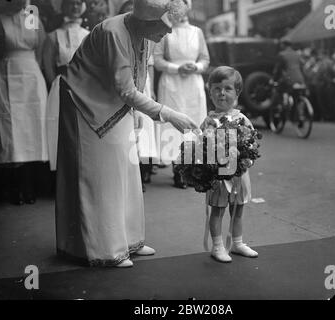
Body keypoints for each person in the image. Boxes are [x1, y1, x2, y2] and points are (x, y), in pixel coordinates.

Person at [56, 0, 197, 268]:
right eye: (164, 28)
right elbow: (126, 90)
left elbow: (138, 78)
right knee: (101, 176)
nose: (167, 34)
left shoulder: (142, 32)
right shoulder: (113, 33)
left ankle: (130, 240)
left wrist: (136, 116)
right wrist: (168, 114)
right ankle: (105, 249)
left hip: (113, 104)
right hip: (86, 104)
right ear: (147, 21)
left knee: (127, 171)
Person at [0, 0, 48, 205]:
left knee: (31, 129)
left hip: (30, 73)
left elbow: (37, 45)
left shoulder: (30, 14)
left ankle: (28, 185)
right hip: (6, 72)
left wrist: (34, 69)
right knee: (11, 130)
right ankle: (13, 187)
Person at [200, 66, 258, 263]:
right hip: (218, 176)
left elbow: (252, 143)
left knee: (238, 208)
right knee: (218, 209)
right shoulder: (209, 121)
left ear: (237, 92)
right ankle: (217, 246)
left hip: (238, 174)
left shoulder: (242, 119)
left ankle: (237, 242)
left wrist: (246, 159)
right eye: (216, 88)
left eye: (227, 88)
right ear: (210, 92)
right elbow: (202, 147)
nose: (221, 93)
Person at [154, 0, 209, 189]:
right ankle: (177, 170)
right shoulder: (166, 31)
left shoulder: (197, 32)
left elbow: (205, 58)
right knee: (174, 127)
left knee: (193, 126)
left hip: (193, 84)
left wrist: (196, 66)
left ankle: (192, 169)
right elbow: (158, 60)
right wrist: (177, 68)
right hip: (172, 84)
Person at [43, 0, 89, 172]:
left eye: (78, 3)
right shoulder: (53, 36)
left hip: (84, 87)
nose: (75, 7)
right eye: (71, 3)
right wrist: (55, 85)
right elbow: (47, 65)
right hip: (62, 85)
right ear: (63, 7)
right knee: (63, 127)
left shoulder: (88, 34)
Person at [119, 0, 159, 192]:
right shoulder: (118, 37)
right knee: (128, 129)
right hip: (127, 84)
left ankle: (143, 169)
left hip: (143, 83)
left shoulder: (148, 39)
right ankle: (129, 173)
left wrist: (148, 88)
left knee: (144, 130)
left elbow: (149, 64)